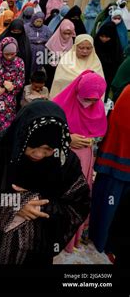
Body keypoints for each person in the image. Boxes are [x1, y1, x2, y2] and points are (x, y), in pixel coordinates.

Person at [0, 100, 91, 265]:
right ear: (21, 135)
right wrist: (12, 203)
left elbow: (79, 204)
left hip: (35, 255)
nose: (38, 155)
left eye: (48, 150)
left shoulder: (64, 161)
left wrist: (41, 207)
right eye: (33, 146)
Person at [53, 70, 107, 253]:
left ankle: (73, 238)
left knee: (80, 195)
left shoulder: (98, 107)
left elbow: (99, 132)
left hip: (85, 158)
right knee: (63, 195)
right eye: (87, 98)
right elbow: (46, 131)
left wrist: (93, 139)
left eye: (94, 100)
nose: (90, 103)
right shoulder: (59, 104)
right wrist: (67, 138)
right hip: (61, 159)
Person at [89, 84, 130, 254]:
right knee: (109, 202)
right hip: (118, 158)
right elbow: (122, 125)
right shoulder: (128, 93)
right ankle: (101, 240)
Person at [50, 34, 105, 98]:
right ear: (75, 47)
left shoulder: (95, 62)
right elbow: (59, 80)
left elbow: (100, 82)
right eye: (81, 48)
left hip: (88, 99)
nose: (85, 51)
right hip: (68, 98)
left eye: (88, 48)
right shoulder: (66, 59)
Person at [0, 18, 33, 83]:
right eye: (14, 32)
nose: (16, 34)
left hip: (20, 72)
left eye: (18, 32)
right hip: (3, 71)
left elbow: (28, 57)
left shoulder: (25, 40)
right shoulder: (3, 38)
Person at [44, 19, 76, 89]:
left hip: (65, 72)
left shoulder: (72, 42)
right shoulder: (52, 42)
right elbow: (46, 60)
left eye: (69, 34)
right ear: (60, 31)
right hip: (52, 72)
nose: (67, 36)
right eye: (65, 33)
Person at [94, 22, 123, 93]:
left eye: (107, 37)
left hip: (109, 73)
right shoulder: (96, 42)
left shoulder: (116, 47)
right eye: (102, 36)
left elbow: (117, 61)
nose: (103, 39)